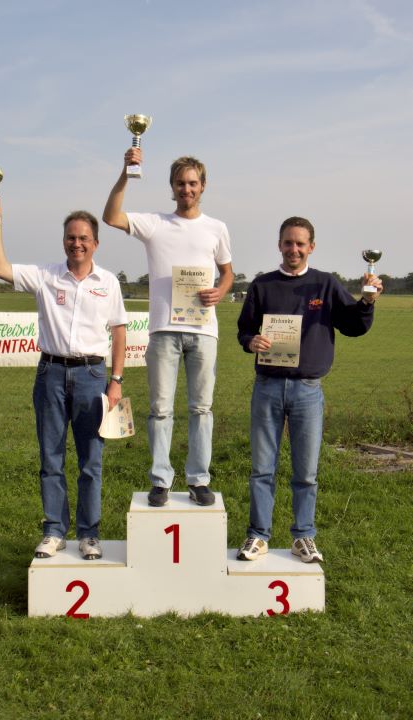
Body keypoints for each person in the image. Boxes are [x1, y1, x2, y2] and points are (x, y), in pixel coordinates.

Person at [0, 192, 127, 559]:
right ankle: (54, 530)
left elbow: (119, 331)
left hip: (92, 375)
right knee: (51, 458)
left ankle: (89, 534)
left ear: (96, 243)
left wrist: (116, 380)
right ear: (63, 241)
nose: (77, 243)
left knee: (91, 461)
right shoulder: (45, 276)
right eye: (71, 237)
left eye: (84, 238)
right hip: (50, 373)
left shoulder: (108, 282)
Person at [236, 216, 382, 562]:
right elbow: (244, 330)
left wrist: (367, 303)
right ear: (279, 245)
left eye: (300, 244)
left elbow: (353, 325)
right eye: (288, 242)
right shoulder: (262, 285)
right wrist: (251, 341)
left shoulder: (325, 284)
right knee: (262, 469)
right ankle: (258, 535)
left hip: (307, 390)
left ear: (311, 247)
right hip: (267, 387)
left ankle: (303, 536)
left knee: (306, 472)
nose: (294, 249)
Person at [103, 147, 233, 507]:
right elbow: (110, 216)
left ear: (203, 186)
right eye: (180, 183)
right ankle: (161, 479)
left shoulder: (217, 228)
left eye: (192, 183)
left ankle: (198, 479)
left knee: (201, 409)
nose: (186, 189)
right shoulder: (155, 224)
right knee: (160, 409)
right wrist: (126, 173)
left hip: (204, 332)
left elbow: (227, 272)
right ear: (172, 187)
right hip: (163, 331)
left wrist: (220, 291)